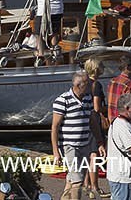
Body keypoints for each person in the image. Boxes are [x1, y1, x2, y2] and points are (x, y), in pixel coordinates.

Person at [53, 71, 101, 200]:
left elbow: (92, 122)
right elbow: (55, 127)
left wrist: (100, 141)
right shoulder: (63, 100)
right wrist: (56, 151)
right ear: (80, 85)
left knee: (71, 180)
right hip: (70, 146)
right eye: (89, 83)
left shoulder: (87, 98)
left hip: (84, 144)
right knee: (78, 182)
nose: (92, 85)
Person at [105, 92, 131, 200]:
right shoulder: (123, 125)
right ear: (128, 108)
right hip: (124, 178)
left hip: (122, 176)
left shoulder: (119, 122)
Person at [106, 57, 131, 125]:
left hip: (112, 122)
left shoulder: (112, 81)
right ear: (128, 67)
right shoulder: (129, 85)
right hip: (125, 123)